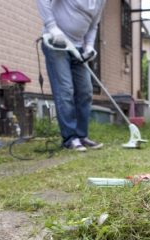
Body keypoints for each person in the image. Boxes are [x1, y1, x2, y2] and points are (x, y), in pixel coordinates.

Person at [36, 0, 106, 152]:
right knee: (65, 90)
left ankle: (81, 136)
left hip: (79, 47)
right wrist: (52, 27)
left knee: (85, 91)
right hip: (56, 42)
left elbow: (93, 25)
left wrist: (89, 46)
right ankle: (70, 138)